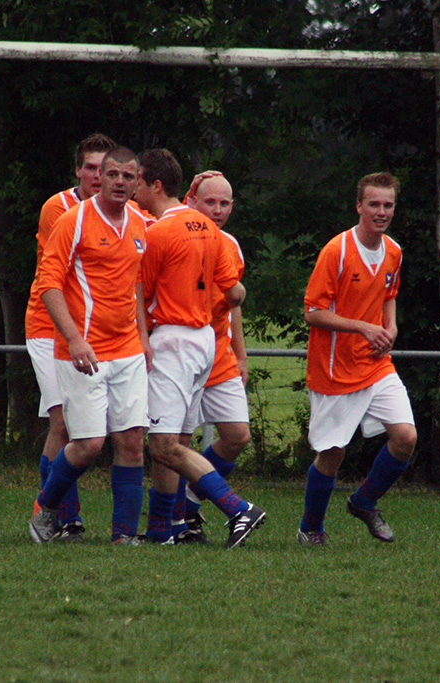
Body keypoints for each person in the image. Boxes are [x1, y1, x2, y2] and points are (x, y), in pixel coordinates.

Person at [134, 149, 266, 549]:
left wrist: (143, 339)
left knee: (164, 444)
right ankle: (166, 528)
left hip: (173, 341)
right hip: (205, 341)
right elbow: (236, 293)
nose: (133, 189)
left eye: (138, 181)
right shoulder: (209, 231)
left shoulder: (157, 233)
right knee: (176, 438)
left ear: (156, 185)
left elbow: (140, 293)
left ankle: (237, 508)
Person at [28, 147, 151, 544]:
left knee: (132, 442)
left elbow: (136, 281)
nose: (118, 182)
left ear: (137, 182)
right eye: (112, 174)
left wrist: (143, 338)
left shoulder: (140, 222)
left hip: (127, 350)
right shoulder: (73, 220)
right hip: (84, 352)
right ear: (100, 178)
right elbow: (48, 284)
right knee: (88, 444)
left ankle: (124, 535)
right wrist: (74, 338)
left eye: (127, 176)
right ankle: (47, 508)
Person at [296, 172, 417, 546]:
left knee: (405, 438)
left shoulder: (393, 251)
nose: (381, 212)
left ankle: (364, 501)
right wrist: (363, 327)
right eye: (374, 204)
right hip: (335, 368)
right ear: (359, 206)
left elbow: (388, 295)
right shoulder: (337, 251)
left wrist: (390, 327)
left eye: (388, 205)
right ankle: (310, 529)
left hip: (376, 364)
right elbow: (312, 312)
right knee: (332, 454)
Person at [25, 133, 117, 541]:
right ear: (78, 171)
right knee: (62, 420)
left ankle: (58, 512)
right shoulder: (59, 209)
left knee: (81, 427)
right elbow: (58, 275)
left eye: (104, 168)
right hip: (49, 326)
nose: (97, 175)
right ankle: (59, 515)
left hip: (91, 330)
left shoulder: (123, 211)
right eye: (90, 167)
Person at [173, 172, 252, 543]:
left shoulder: (231, 245)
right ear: (192, 201)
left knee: (237, 436)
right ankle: (175, 520)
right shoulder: (174, 233)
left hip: (220, 354)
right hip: (183, 350)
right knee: (178, 440)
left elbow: (233, 305)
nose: (217, 210)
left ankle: (191, 500)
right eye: (210, 202)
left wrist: (241, 354)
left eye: (224, 203)